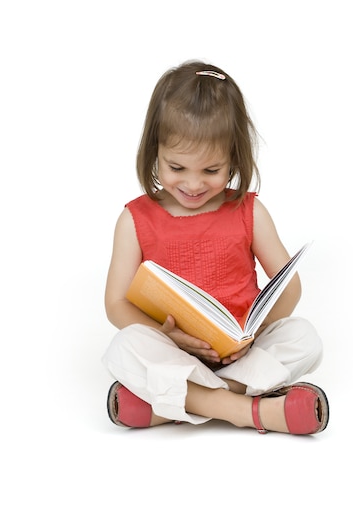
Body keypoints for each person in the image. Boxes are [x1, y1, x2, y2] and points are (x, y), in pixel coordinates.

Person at [102, 60, 329, 435]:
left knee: (304, 338)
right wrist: (166, 335)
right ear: (154, 153)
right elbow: (116, 305)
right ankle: (247, 409)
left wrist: (253, 335)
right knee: (124, 345)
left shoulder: (249, 211)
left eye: (210, 171)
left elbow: (290, 286)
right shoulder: (134, 220)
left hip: (243, 353)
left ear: (234, 159)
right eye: (177, 167)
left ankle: (182, 403)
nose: (193, 185)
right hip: (174, 351)